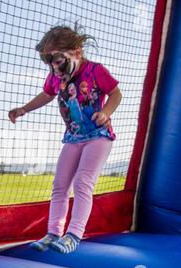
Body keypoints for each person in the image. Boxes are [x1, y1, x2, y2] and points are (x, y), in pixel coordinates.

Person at [8, 24, 122, 254]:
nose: (54, 67)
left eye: (57, 60)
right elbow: (47, 95)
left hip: (98, 137)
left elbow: (116, 93)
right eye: (48, 62)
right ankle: (53, 233)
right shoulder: (55, 76)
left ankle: (74, 235)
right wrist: (24, 109)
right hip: (73, 137)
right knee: (60, 185)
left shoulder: (95, 70)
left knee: (82, 182)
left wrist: (106, 113)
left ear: (77, 52)